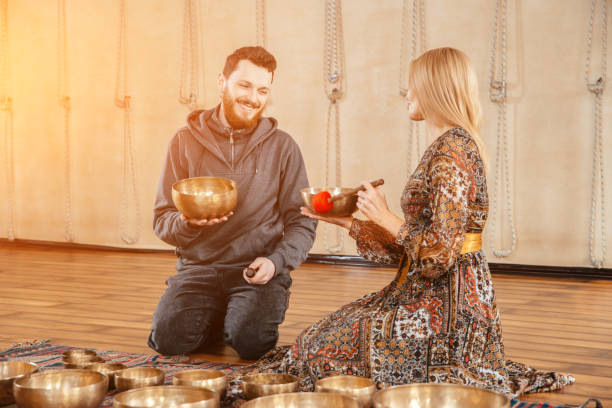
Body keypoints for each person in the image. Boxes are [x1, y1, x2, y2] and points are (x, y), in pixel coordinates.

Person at [229, 47, 573, 399]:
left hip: (450, 308)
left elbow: (439, 255)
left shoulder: (452, 152)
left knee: (319, 350)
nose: (407, 94)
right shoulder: (449, 144)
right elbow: (411, 249)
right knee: (316, 337)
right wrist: (348, 221)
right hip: (422, 290)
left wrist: (385, 216)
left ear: (434, 89)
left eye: (413, 86)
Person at [148, 46, 317, 360]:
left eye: (262, 90)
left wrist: (276, 262)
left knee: (250, 343)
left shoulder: (283, 147)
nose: (253, 98)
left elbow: (303, 220)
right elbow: (162, 219)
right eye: (244, 85)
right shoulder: (183, 142)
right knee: (168, 341)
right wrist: (186, 224)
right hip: (199, 268)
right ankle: (214, 317)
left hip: (256, 269)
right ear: (221, 81)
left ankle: (238, 316)